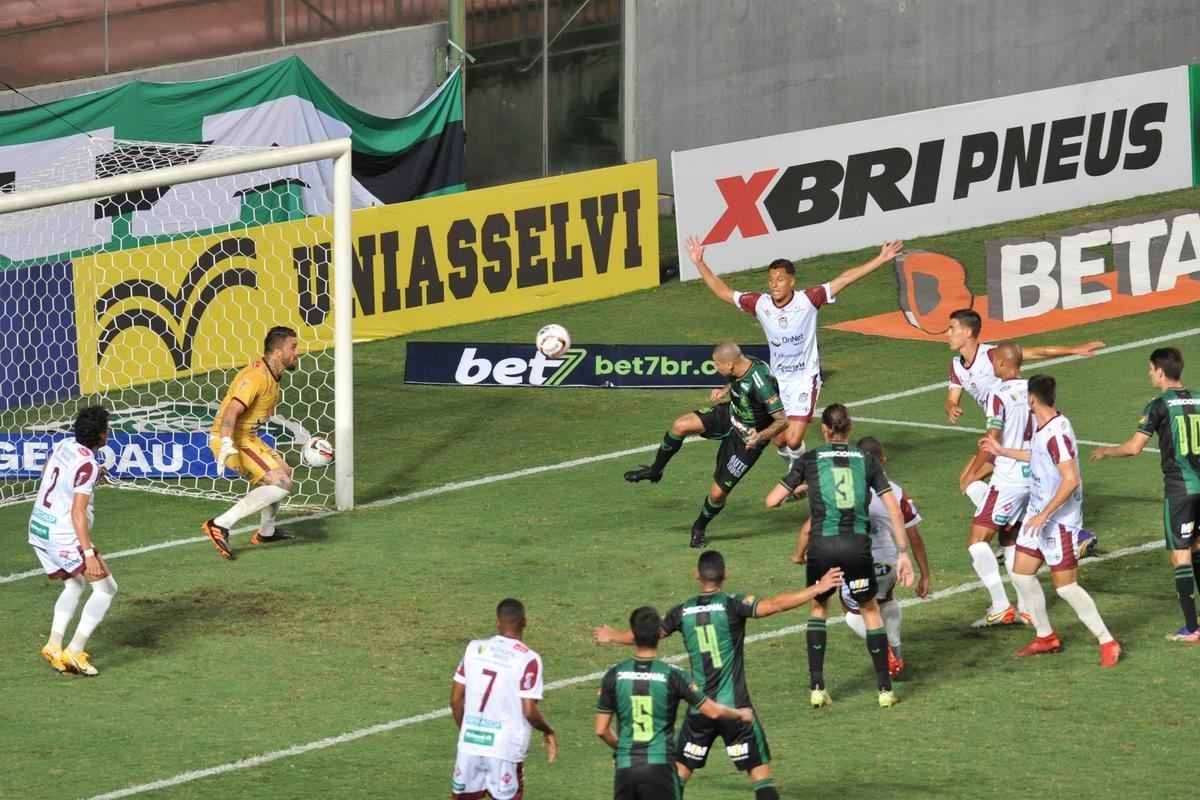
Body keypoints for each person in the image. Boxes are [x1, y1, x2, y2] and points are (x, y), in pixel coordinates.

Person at [594, 551, 843, 800]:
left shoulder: (682, 611)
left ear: (697, 575)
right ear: (725, 575)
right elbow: (774, 605)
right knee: (761, 778)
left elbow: (648, 634)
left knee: (677, 780)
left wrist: (613, 636)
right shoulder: (732, 604)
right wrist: (817, 588)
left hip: (700, 709)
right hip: (734, 707)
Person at [687, 235, 904, 466]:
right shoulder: (761, 304)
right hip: (777, 382)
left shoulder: (808, 300)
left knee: (792, 440)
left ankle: (798, 470)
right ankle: (792, 461)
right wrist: (699, 262)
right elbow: (723, 292)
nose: (774, 284)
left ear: (792, 281)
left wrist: (880, 259)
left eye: (779, 279)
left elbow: (845, 278)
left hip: (804, 379)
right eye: (770, 280)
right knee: (779, 440)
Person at [765, 403, 914, 707]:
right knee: (870, 611)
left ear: (823, 429)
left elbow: (772, 501)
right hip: (856, 545)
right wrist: (902, 552)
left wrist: (799, 489)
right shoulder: (867, 460)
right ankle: (884, 691)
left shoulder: (809, 460)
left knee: (819, 609)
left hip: (821, 545)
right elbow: (893, 509)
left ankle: (818, 688)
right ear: (851, 426)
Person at [981, 374, 1121, 667]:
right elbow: (1035, 455)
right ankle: (1046, 636)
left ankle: (1108, 641)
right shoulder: (1045, 427)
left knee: (1066, 588)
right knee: (1021, 573)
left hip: (1059, 523)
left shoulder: (1056, 432)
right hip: (1038, 518)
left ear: (1032, 398)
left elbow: (1071, 479)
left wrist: (1044, 514)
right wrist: (1001, 451)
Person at [624, 341, 787, 548]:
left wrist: (761, 436)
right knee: (680, 426)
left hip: (748, 439)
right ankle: (655, 470)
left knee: (717, 493)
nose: (715, 367)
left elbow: (782, 420)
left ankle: (699, 527)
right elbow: (737, 381)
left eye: (716, 364)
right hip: (730, 415)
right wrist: (724, 390)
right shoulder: (743, 363)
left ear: (729, 365)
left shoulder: (762, 384)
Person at [793, 435, 931, 677]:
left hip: (858, 559)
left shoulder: (849, 490)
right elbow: (915, 538)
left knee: (853, 613)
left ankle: (885, 651)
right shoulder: (898, 494)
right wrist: (925, 575)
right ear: (883, 460)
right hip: (889, 562)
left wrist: (799, 554)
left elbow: (808, 527)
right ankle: (896, 650)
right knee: (885, 599)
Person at [1091, 346, 1200, 642]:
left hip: (1180, 490)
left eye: (1151, 369)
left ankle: (1191, 628)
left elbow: (1134, 447)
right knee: (1197, 547)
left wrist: (1105, 452)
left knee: (1180, 555)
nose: (1150, 374)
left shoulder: (1158, 404)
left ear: (1160, 371)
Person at [595, 605, 753, 800]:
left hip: (625, 768)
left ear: (633, 634)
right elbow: (712, 711)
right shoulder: (673, 675)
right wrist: (740, 714)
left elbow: (601, 730)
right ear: (658, 634)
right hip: (659, 768)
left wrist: (623, 749)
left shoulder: (613, 675)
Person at [29, 405, 118, 676]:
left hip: (38, 529)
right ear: (102, 435)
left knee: (75, 585)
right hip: (63, 536)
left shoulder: (65, 444)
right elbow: (77, 512)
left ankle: (54, 645)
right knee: (106, 589)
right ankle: (75, 651)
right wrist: (88, 553)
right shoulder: (88, 464)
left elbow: (47, 471)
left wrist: (86, 479)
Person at [202, 325, 300, 559]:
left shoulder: (273, 373)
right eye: (293, 348)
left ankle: (266, 531)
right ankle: (219, 524)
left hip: (247, 437)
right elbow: (230, 413)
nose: (297, 352)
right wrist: (226, 443)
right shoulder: (256, 377)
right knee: (281, 483)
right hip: (232, 439)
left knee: (286, 471)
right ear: (277, 353)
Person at [956, 341, 1033, 627]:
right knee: (1009, 539)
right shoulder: (1034, 390)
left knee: (976, 542)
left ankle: (1001, 606)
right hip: (1032, 477)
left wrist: (972, 472)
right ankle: (1026, 607)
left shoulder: (997, 394)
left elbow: (992, 440)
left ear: (1001, 364)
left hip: (1008, 479)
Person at [451, 598, 556, 800]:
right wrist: (547, 730)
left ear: (497, 621)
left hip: (469, 746)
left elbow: (456, 700)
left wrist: (469, 733)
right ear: (525, 621)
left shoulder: (473, 649)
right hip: (504, 749)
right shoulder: (528, 659)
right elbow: (529, 710)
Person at [944, 308, 1104, 424]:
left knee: (976, 469)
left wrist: (1073, 350)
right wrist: (951, 408)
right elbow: (951, 399)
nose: (948, 334)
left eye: (952, 328)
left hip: (1018, 420)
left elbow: (1038, 352)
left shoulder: (994, 354)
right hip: (999, 422)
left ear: (968, 332)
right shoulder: (956, 365)